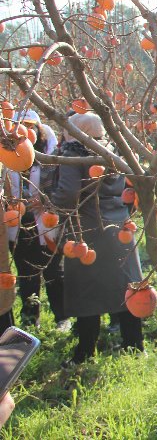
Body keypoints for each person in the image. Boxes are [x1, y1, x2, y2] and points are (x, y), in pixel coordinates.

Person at [50, 112, 144, 365]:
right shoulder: (113, 150)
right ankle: (134, 345)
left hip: (88, 228)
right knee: (126, 287)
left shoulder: (74, 153)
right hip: (119, 226)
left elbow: (69, 193)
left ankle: (85, 352)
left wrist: (49, 203)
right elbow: (131, 187)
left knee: (86, 292)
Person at [6, 109, 68, 331]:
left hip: (47, 223)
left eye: (31, 126)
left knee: (53, 272)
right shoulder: (9, 156)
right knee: (26, 273)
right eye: (23, 127)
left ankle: (62, 317)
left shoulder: (49, 156)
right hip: (21, 224)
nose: (27, 131)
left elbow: (61, 188)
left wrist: (46, 203)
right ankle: (31, 318)